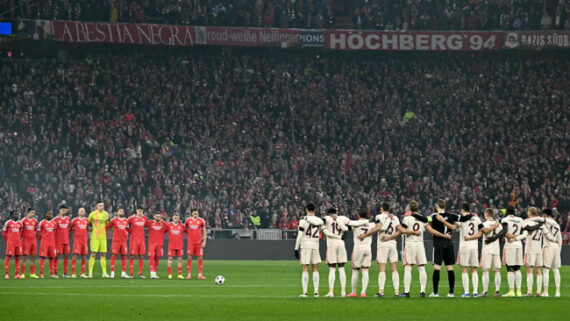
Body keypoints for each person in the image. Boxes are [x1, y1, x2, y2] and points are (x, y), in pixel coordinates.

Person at [358, 202, 407, 297]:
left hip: (382, 244)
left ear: (381, 208)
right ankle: (396, 291)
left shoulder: (378, 217)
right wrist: (391, 237)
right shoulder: (395, 217)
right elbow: (399, 230)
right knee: (394, 269)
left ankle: (381, 291)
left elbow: (378, 229)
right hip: (393, 244)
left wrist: (365, 235)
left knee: (382, 269)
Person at [427, 199, 473, 297]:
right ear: (445, 206)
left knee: (437, 267)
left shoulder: (434, 216)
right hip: (449, 243)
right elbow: (464, 218)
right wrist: (472, 214)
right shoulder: (452, 215)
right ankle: (451, 292)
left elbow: (424, 220)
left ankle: (435, 293)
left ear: (437, 206)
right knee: (450, 268)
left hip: (438, 242)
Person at [323, 207, 368, 297]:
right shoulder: (342, 218)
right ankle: (343, 291)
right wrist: (366, 221)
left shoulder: (327, 218)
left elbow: (322, 223)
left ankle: (331, 291)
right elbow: (353, 224)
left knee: (332, 268)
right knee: (341, 268)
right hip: (341, 244)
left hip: (332, 243)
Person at [464, 208, 502, 297]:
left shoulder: (484, 224)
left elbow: (479, 234)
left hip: (487, 249)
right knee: (497, 271)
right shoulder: (498, 225)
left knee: (486, 271)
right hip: (496, 249)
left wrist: (469, 238)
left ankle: (485, 292)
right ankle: (497, 291)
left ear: (486, 214)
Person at [512, 207, 551, 296]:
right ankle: (539, 291)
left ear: (529, 213)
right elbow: (547, 235)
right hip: (538, 249)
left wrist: (516, 239)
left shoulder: (527, 221)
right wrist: (555, 241)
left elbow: (525, 234)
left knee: (529, 271)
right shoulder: (541, 223)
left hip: (530, 249)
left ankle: (529, 291)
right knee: (538, 271)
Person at [294, 203, 325, 298]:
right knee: (315, 268)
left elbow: (300, 235)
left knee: (305, 268)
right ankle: (316, 292)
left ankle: (305, 292)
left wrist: (296, 248)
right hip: (315, 245)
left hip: (305, 245)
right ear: (314, 210)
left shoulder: (303, 220)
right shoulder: (319, 220)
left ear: (306, 209)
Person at [455, 203, 484, 298]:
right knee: (474, 269)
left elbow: (454, 227)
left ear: (462, 210)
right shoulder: (476, 218)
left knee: (464, 269)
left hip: (464, 246)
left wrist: (444, 220)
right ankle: (475, 292)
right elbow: (481, 232)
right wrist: (472, 237)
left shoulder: (462, 219)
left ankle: (466, 292)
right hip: (474, 247)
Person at [400, 201, 429, 297]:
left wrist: (411, 232)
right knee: (421, 268)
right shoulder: (422, 218)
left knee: (408, 268)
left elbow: (403, 230)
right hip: (420, 244)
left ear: (410, 209)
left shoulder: (407, 218)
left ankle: (407, 291)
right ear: (418, 208)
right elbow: (428, 226)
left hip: (410, 243)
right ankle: (422, 291)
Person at [346, 211, 375, 298]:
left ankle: (353, 292)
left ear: (358, 215)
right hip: (368, 248)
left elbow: (346, 227)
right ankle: (363, 292)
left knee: (355, 271)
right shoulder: (371, 225)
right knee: (365, 270)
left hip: (358, 248)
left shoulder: (355, 224)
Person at [541, 208, 562, 297]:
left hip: (548, 245)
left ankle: (546, 292)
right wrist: (559, 249)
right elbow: (559, 238)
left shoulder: (545, 222)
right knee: (556, 270)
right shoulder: (557, 224)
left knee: (546, 270)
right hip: (556, 246)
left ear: (545, 215)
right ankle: (557, 292)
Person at [106, 208, 131, 278]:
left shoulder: (126, 221)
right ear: (117, 213)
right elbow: (107, 227)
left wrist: (127, 233)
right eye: (120, 211)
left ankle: (123, 273)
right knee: (114, 256)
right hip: (116, 241)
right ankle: (112, 273)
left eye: (122, 211)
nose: (121, 212)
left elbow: (128, 230)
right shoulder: (114, 220)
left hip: (124, 242)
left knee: (124, 256)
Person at [88, 201, 110, 278]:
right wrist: (90, 229)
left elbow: (107, 224)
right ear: (97, 206)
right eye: (100, 205)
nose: (102, 207)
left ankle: (104, 273)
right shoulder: (92, 214)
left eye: (103, 205)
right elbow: (87, 223)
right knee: (93, 254)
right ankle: (90, 273)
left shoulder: (106, 214)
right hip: (95, 237)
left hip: (103, 237)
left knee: (103, 254)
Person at [185, 209, 207, 279]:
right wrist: (189, 235)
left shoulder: (201, 221)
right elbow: (184, 229)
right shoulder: (187, 220)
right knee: (189, 257)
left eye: (196, 213)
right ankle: (189, 274)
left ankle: (200, 274)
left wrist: (204, 241)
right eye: (194, 213)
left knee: (200, 257)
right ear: (192, 214)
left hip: (199, 242)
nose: (195, 215)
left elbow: (204, 231)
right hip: (190, 242)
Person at [146, 212, 168, 279]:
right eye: (156, 216)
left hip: (160, 244)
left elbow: (166, 230)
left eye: (159, 216)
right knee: (151, 258)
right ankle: (152, 273)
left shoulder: (164, 223)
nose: (158, 217)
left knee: (157, 258)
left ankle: (155, 273)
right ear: (154, 216)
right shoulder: (149, 223)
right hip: (151, 244)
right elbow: (142, 225)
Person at [128, 207, 147, 278]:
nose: (140, 213)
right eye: (139, 211)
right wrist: (129, 231)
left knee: (141, 256)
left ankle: (140, 274)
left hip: (141, 241)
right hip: (134, 240)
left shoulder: (144, 218)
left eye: (141, 211)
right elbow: (125, 223)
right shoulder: (132, 218)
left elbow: (147, 225)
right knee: (132, 256)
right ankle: (131, 273)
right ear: (136, 211)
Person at [3, 210, 23, 279]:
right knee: (8, 257)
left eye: (18, 214)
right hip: (10, 243)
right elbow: (4, 233)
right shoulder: (8, 223)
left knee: (17, 257)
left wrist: (17, 239)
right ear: (12, 215)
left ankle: (17, 274)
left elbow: (21, 233)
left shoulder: (20, 223)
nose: (17, 215)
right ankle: (6, 274)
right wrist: (8, 240)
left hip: (18, 243)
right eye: (16, 214)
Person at [70, 207, 89, 278]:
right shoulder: (75, 220)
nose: (82, 212)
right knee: (75, 256)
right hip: (77, 241)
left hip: (84, 241)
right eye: (81, 211)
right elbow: (70, 228)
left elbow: (88, 228)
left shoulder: (87, 220)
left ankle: (82, 273)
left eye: (83, 211)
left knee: (84, 256)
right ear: (78, 212)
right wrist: (74, 234)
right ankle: (73, 273)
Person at [38, 210, 57, 278]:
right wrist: (43, 239)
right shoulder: (42, 223)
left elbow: (54, 232)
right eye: (49, 214)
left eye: (51, 214)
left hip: (52, 243)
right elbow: (38, 233)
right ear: (46, 214)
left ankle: (52, 273)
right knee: (43, 257)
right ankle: (41, 273)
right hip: (44, 243)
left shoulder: (54, 223)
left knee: (51, 258)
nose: (51, 215)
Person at [53, 204, 71, 278]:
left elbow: (69, 228)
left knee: (66, 256)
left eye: (65, 210)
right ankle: (55, 273)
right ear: (59, 210)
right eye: (62, 210)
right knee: (57, 256)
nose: (64, 211)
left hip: (66, 241)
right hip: (58, 241)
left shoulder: (68, 219)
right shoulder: (55, 219)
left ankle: (65, 273)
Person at [20, 207, 39, 278]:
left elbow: (35, 230)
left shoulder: (35, 221)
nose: (33, 214)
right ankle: (22, 273)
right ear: (28, 212)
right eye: (32, 212)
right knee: (24, 257)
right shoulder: (23, 221)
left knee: (33, 257)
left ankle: (32, 273)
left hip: (33, 241)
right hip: (26, 241)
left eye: (34, 212)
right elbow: (20, 231)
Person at [167, 212, 185, 279]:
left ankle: (179, 274)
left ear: (179, 218)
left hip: (179, 245)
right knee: (170, 259)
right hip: (171, 245)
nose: (176, 219)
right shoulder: (169, 225)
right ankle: (170, 274)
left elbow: (187, 230)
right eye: (175, 218)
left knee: (180, 260)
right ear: (172, 218)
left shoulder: (182, 226)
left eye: (177, 218)